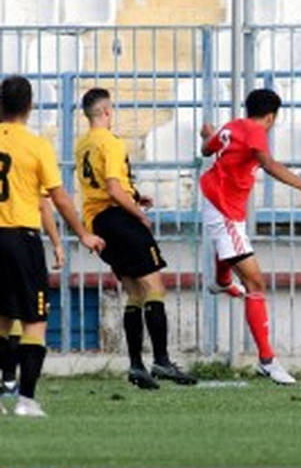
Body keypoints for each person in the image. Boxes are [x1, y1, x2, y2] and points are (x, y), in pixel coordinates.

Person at [75, 88, 196, 390]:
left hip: (98, 222)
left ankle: (136, 366)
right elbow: (115, 189)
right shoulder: (111, 142)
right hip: (119, 218)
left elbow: (105, 185)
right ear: (104, 112)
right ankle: (162, 360)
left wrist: (136, 196)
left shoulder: (83, 144)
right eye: (111, 109)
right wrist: (138, 214)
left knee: (133, 292)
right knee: (155, 287)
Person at [0, 75, 105, 416]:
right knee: (34, 321)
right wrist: (82, 233)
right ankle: (26, 401)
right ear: (29, 107)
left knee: (2, 319)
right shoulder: (36, 145)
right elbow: (57, 198)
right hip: (21, 238)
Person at [200, 88, 301, 385]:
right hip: (223, 208)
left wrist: (209, 134)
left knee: (232, 248)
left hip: (218, 201)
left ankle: (223, 280)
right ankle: (268, 361)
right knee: (255, 282)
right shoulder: (255, 130)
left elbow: (206, 150)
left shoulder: (232, 126)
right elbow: (268, 163)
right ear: (271, 117)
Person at [1, 196, 64, 395]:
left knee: (5, 314)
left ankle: (9, 378)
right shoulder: (31, 164)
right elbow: (44, 203)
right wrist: (57, 243)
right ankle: (24, 396)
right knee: (32, 318)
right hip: (22, 237)